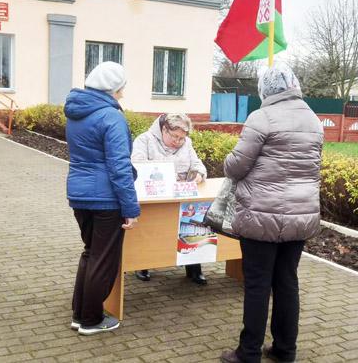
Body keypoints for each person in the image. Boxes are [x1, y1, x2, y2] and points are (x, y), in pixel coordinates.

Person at [220, 63, 324, 363]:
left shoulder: (261, 117)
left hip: (261, 216)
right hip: (300, 216)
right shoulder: (313, 119)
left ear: (265, 88)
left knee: (257, 285)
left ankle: (248, 352)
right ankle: (284, 349)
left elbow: (235, 167)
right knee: (287, 282)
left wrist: (229, 157)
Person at [64, 62, 140, 336]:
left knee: (90, 253)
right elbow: (119, 166)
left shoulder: (76, 112)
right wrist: (130, 208)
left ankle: (79, 314)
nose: (123, 93)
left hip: (79, 194)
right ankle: (92, 319)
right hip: (106, 199)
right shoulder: (111, 117)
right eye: (122, 88)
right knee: (102, 259)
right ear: (114, 88)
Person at [131, 113, 209, 285]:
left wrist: (198, 175)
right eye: (174, 136)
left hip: (182, 195)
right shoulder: (144, 140)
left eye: (182, 138)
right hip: (154, 195)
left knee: (191, 223)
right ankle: (142, 263)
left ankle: (193, 266)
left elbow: (197, 165)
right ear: (163, 129)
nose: (178, 141)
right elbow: (136, 166)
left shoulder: (186, 143)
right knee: (152, 228)